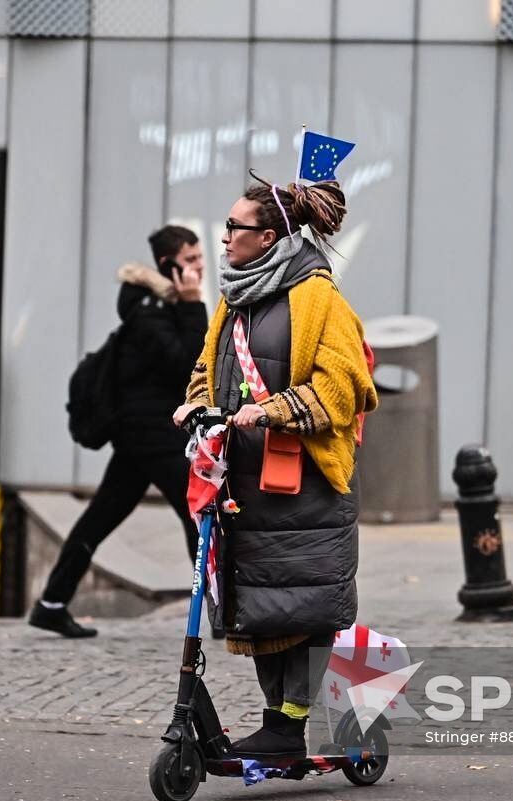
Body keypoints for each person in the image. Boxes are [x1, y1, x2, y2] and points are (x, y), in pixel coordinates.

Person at [173, 172, 377, 758]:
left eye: (235, 227)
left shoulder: (319, 299)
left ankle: (289, 728)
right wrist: (195, 402)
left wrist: (275, 411)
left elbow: (345, 385)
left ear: (267, 238)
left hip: (304, 486)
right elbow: (209, 367)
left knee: (305, 606)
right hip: (247, 486)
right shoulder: (236, 296)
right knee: (263, 609)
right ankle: (278, 723)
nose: (225, 237)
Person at [30, 225, 209, 638]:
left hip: (143, 434)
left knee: (102, 517)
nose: (200, 267)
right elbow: (186, 362)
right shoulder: (149, 311)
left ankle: (51, 603)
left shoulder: (158, 307)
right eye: (192, 260)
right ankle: (218, 612)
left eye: (199, 259)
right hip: (149, 432)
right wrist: (192, 303)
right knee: (198, 511)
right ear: (169, 266)